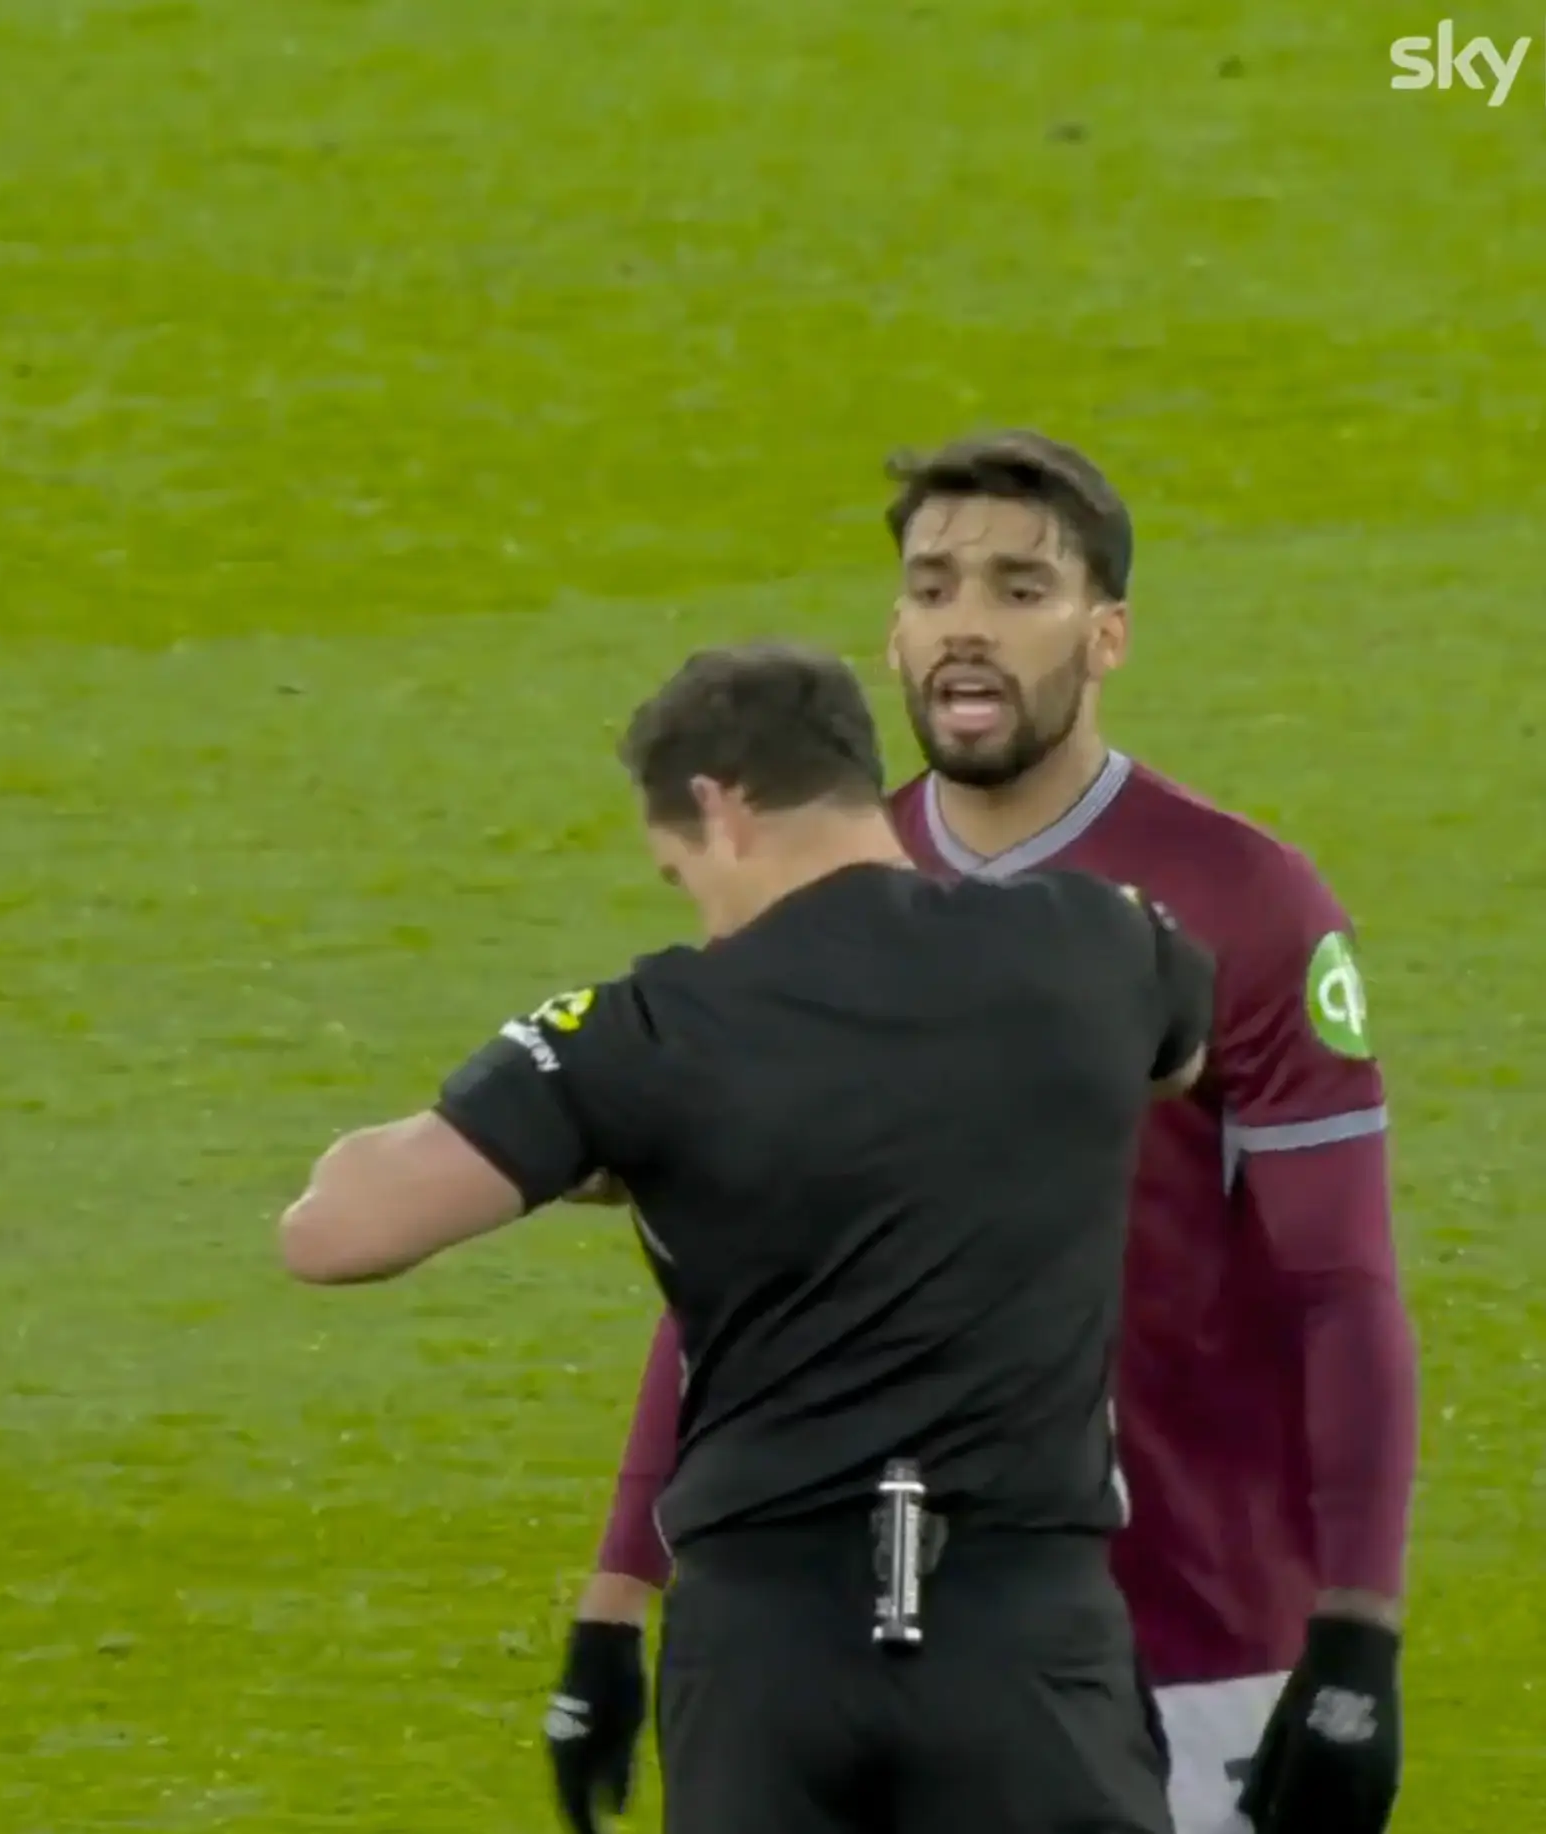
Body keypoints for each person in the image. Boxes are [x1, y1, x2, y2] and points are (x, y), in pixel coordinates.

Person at [555, 433, 1415, 1834]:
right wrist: (616, 1596)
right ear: (892, 628)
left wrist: (1359, 1629)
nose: (967, 623)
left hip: (1197, 1639)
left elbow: (1343, 1287)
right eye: (935, 584)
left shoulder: (1248, 900)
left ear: (1107, 633)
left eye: (1022, 589)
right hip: (870, 1658)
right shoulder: (816, 889)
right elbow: (742, 1277)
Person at [281, 640, 1211, 1834]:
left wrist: (599, 1143)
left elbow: (335, 1232)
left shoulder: (652, 1037)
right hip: (1025, 1633)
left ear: (717, 808)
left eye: (680, 875)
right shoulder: (1093, 944)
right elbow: (1183, 1053)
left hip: (771, 1651)